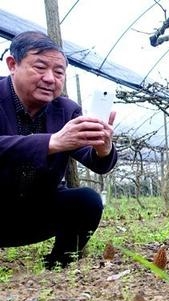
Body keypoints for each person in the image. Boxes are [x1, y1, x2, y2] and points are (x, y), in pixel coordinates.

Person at [0, 31, 117, 269]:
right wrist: (51, 142)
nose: (50, 79)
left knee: (87, 201)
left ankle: (59, 262)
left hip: (36, 212)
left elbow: (95, 160)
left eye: (59, 72)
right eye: (40, 67)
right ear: (13, 64)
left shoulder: (66, 110)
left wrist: (103, 149)